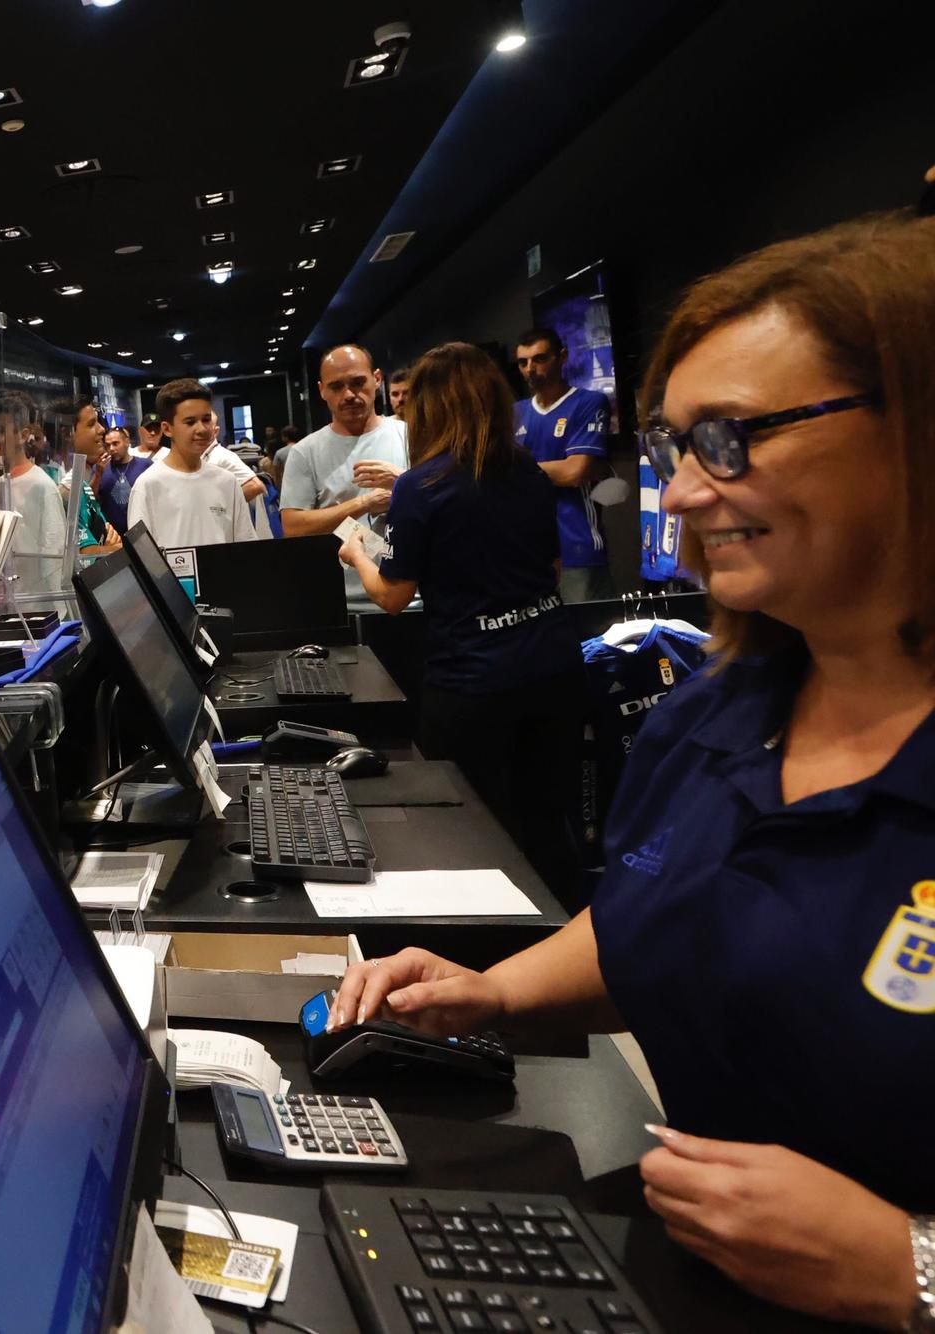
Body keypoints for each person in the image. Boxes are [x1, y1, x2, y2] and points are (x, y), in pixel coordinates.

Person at [331, 211, 935, 1331]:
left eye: (731, 438)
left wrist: (910, 1266)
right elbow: (648, 916)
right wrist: (495, 989)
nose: (689, 494)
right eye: (674, 448)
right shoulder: (704, 721)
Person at [337, 343, 582, 896]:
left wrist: (357, 554)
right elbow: (553, 566)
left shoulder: (419, 487)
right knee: (548, 821)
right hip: (554, 666)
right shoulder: (527, 471)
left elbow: (394, 596)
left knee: (475, 832)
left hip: (473, 684)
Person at [280, 344, 412, 606]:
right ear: (321, 391)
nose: (349, 394)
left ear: (376, 379)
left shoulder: (411, 436)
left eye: (357, 382)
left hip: (412, 597)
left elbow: (445, 504)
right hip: (338, 602)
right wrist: (362, 504)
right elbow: (293, 528)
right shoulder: (305, 452)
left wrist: (402, 485)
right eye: (336, 386)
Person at [514, 326, 616, 601]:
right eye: (523, 362)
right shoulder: (515, 412)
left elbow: (575, 472)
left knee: (588, 638)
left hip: (576, 544)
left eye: (539, 359)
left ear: (562, 357)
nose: (530, 369)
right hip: (528, 550)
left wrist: (514, 470)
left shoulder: (588, 402)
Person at [127, 378, 255, 547]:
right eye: (190, 422)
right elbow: (142, 555)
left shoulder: (227, 482)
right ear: (167, 428)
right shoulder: (147, 485)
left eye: (206, 419)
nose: (201, 429)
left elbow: (246, 545)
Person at [0, 390, 68, 592]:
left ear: (23, 435)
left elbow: (54, 551)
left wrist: (55, 606)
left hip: (36, 604)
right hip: (6, 602)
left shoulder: (42, 485)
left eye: (2, 430)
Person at [66, 400, 122, 556]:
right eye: (91, 424)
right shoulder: (68, 489)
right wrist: (115, 549)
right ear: (68, 433)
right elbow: (85, 556)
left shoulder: (80, 482)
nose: (102, 429)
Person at [95, 424, 150, 534]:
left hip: (140, 532)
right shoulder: (100, 467)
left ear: (127, 442)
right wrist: (98, 474)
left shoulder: (145, 466)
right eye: (108, 445)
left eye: (115, 443)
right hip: (110, 536)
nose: (111, 448)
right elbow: (91, 497)